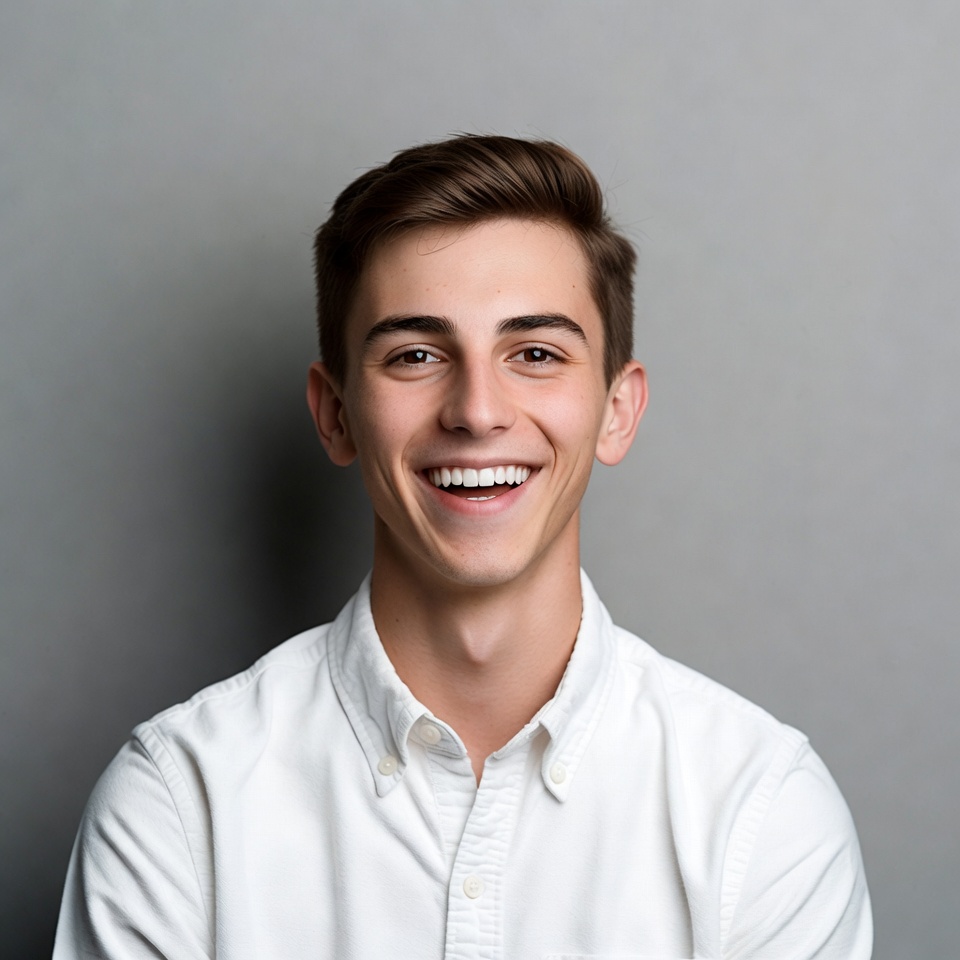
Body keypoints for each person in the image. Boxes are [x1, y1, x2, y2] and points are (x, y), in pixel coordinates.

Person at [53, 134, 872, 959]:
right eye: (415, 355)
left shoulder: (760, 811)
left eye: (535, 354)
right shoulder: (178, 806)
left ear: (617, 410)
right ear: (335, 413)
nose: (477, 410)